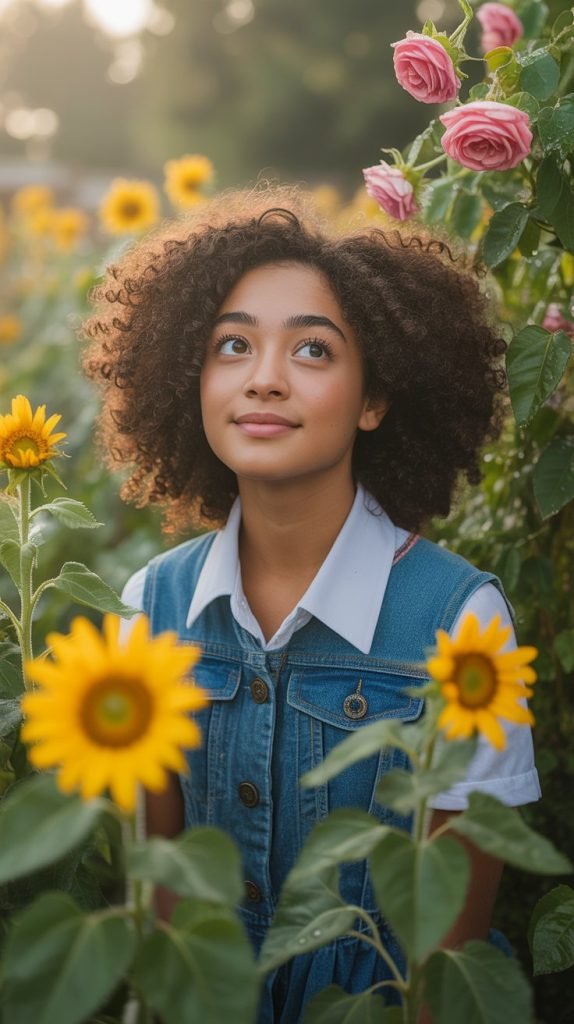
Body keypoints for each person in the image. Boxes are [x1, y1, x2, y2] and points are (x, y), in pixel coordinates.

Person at [82, 185, 540, 1022]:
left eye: (313, 352)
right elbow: (167, 919)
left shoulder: (462, 625)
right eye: (231, 345)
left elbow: (447, 966)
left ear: (375, 398)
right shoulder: (152, 607)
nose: (264, 380)